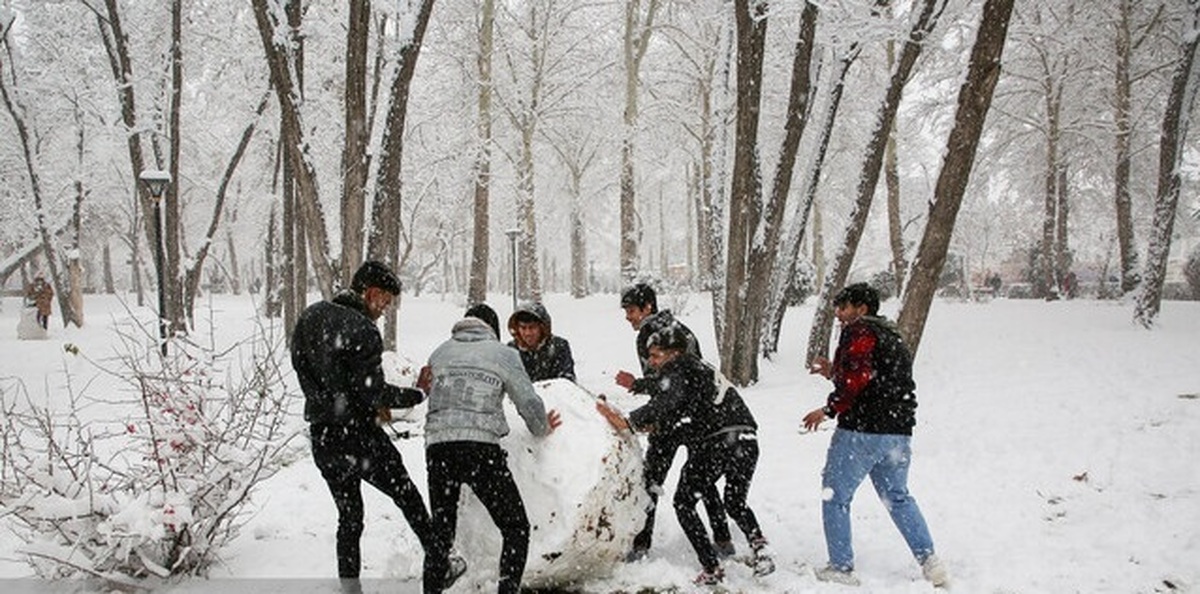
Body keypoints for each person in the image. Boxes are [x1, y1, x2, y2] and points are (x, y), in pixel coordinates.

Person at [290, 261, 464, 589]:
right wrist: (418, 393)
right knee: (407, 495)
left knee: (350, 517)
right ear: (371, 292)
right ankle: (440, 563)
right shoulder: (363, 328)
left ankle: (350, 587)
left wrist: (329, 398)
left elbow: (302, 367)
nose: (384, 311)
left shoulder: (309, 317)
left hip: (323, 436)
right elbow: (372, 391)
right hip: (359, 437)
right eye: (385, 301)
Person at [597, 323, 774, 585]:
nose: (652, 361)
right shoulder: (698, 368)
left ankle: (712, 568)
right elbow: (668, 392)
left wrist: (629, 421)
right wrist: (638, 387)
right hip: (746, 438)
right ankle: (760, 548)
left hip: (719, 441)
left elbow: (668, 397)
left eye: (657, 355)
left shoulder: (678, 368)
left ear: (674, 353)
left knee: (683, 502)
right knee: (735, 502)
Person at [802, 282, 948, 587]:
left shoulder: (860, 332)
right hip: (898, 433)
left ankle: (840, 568)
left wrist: (827, 411)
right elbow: (874, 377)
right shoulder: (891, 334)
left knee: (835, 495)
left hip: (862, 431)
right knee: (897, 496)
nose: (839, 315)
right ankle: (930, 560)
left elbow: (858, 381)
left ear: (861, 309)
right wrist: (832, 371)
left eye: (843, 308)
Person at [420, 303, 562, 594]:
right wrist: (542, 427)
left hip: (438, 447)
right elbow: (528, 402)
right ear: (494, 331)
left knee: (442, 531)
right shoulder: (503, 354)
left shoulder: (440, 352)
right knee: (515, 527)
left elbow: (431, 392)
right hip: (479, 449)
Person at [614, 283, 732, 562]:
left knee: (651, 481)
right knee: (701, 479)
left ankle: (641, 544)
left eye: (631, 310)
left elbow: (665, 384)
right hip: (697, 418)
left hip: (671, 420)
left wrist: (643, 398)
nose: (628, 317)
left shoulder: (649, 333)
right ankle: (722, 537)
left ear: (647, 308)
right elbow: (690, 376)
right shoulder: (680, 328)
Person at [505, 301, 576, 382]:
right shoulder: (511, 350)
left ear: (542, 328)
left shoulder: (559, 347)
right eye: (523, 328)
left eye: (532, 327)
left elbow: (566, 382)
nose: (528, 333)